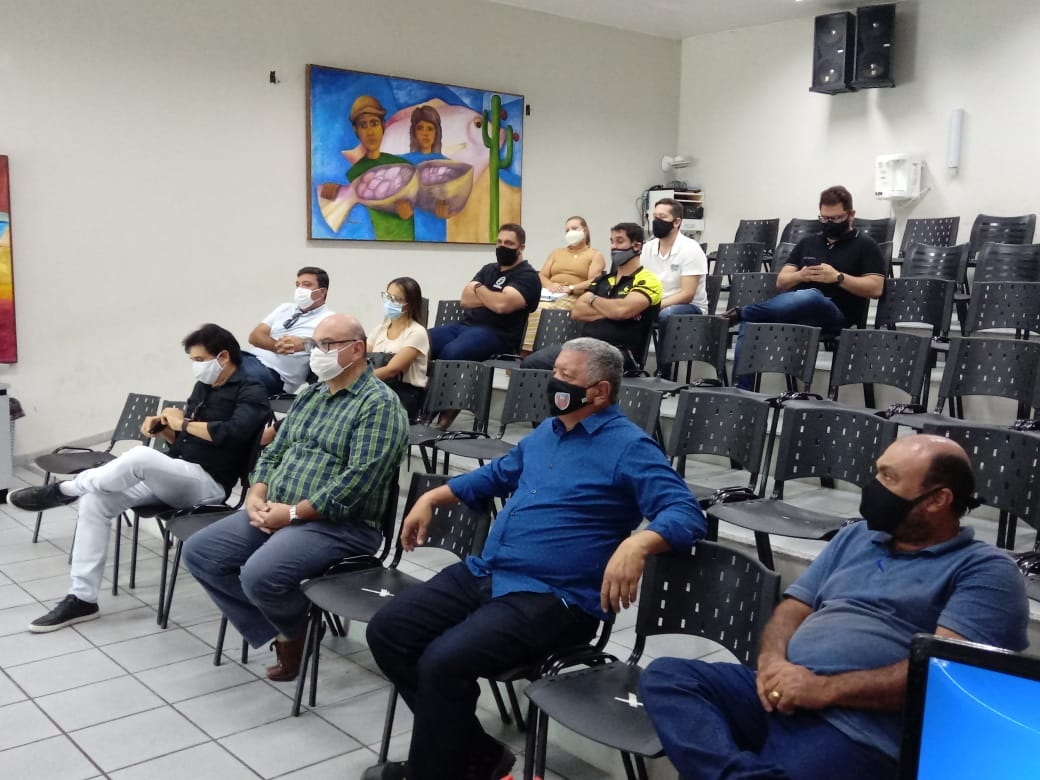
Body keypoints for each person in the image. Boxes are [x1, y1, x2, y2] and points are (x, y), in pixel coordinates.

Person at [364, 337, 705, 780]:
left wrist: (638, 544)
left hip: (555, 598)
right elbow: (496, 474)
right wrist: (432, 498)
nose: (553, 382)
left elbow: (686, 512)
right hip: (492, 573)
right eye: (555, 371)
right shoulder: (549, 432)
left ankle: (433, 772)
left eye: (566, 376)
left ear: (600, 391)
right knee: (389, 631)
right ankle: (478, 757)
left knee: (443, 661)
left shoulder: (630, 447)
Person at [639, 434, 1029, 780]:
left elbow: (941, 677)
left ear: (938, 500)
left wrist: (822, 690)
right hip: (781, 693)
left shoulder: (986, 571)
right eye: (877, 472)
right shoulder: (857, 536)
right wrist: (772, 663)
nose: (874, 486)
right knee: (668, 677)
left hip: (856, 728)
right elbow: (792, 609)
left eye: (889, 478)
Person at [182, 314, 408, 682]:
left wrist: (292, 514)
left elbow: (359, 480)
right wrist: (257, 492)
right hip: (279, 509)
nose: (316, 352)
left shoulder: (378, 405)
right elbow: (274, 451)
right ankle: (289, 627)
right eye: (314, 344)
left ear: (357, 350)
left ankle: (292, 632)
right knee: (200, 553)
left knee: (259, 574)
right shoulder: (312, 396)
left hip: (341, 524)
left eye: (327, 345)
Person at [11, 324, 271, 632]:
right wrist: (165, 430)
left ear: (223, 357)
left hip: (208, 485)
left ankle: (65, 489)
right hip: (178, 473)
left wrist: (183, 424)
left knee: (140, 457)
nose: (196, 366)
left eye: (200, 359)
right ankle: (82, 598)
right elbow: (183, 441)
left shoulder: (252, 390)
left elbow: (233, 434)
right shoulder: (204, 387)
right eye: (192, 360)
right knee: (96, 500)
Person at [727, 185, 886, 389]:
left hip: (837, 314)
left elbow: (875, 288)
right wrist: (800, 275)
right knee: (752, 323)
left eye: (836, 218)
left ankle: (741, 312)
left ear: (851, 215)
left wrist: (838, 277)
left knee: (811, 295)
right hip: (799, 312)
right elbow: (782, 281)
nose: (830, 223)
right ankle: (742, 393)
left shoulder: (866, 245)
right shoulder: (808, 242)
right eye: (824, 219)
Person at [522, 222, 661, 373]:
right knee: (531, 363)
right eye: (611, 242)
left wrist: (593, 300)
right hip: (585, 346)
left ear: (637, 246)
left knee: (570, 370)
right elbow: (578, 311)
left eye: (620, 241)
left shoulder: (648, 280)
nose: (613, 247)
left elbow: (621, 311)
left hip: (619, 353)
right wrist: (614, 311)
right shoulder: (603, 280)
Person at [428, 222, 540, 362]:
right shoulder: (488, 269)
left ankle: (440, 376)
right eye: (499, 242)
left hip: (498, 335)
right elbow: (465, 300)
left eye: (509, 243)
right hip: (464, 326)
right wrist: (494, 298)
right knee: (419, 343)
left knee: (452, 353)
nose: (502, 246)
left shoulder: (527, 276)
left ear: (521, 248)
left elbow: (501, 306)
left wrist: (478, 287)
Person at [641, 197, 709, 377]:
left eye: (662, 217)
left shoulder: (690, 249)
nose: (656, 221)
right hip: (657, 303)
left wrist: (653, 306)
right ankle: (633, 367)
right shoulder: (648, 248)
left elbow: (687, 294)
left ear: (677, 222)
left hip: (689, 307)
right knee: (626, 311)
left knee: (667, 315)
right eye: (654, 216)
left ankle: (664, 373)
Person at [241, 266, 333, 395]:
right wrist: (278, 346)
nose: (300, 289)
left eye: (306, 285)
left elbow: (331, 347)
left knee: (232, 375)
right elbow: (255, 336)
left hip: (277, 375)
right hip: (251, 360)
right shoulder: (285, 308)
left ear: (322, 292)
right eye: (298, 285)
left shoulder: (330, 320)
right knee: (220, 360)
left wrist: (304, 344)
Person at [521, 215, 607, 351]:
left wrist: (571, 288)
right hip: (550, 293)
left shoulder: (594, 255)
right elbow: (542, 275)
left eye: (574, 228)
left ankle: (542, 350)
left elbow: (594, 281)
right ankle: (524, 351)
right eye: (567, 230)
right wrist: (550, 285)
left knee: (546, 310)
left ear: (585, 230)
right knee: (529, 307)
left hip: (574, 296)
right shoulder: (556, 253)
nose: (570, 232)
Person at [344, 95, 415, 241]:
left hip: (407, 243)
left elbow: (419, 202)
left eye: (374, 123)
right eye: (363, 125)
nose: (370, 132)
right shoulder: (353, 173)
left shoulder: (403, 166)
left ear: (383, 125)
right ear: (356, 130)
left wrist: (410, 213)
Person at [368, 276, 430, 421]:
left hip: (404, 393)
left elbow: (392, 370)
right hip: (377, 386)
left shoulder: (417, 332)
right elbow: (362, 358)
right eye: (388, 297)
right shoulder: (380, 329)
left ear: (410, 304)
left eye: (396, 299)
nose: (390, 302)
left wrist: (357, 380)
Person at [402, 104, 450, 242]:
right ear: (414, 132)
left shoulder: (447, 164)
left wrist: (447, 210)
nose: (425, 133)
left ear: (436, 132)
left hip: (437, 235)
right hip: (407, 232)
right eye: (420, 128)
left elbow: (452, 198)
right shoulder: (403, 162)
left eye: (430, 128)